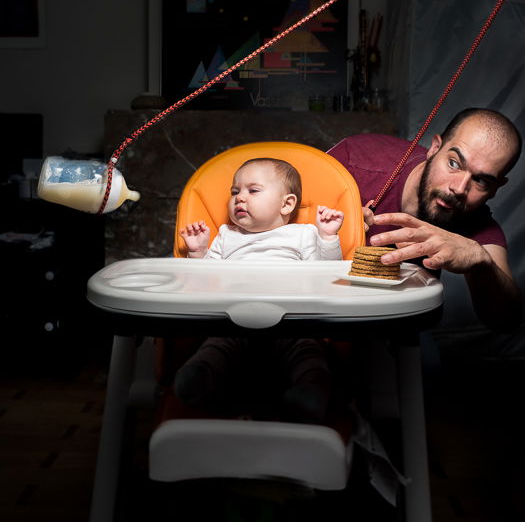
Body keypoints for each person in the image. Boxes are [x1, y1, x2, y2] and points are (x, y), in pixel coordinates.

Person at [175, 157, 345, 423]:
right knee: (215, 348)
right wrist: (198, 252)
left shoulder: (304, 234)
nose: (240, 198)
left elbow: (326, 275)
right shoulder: (226, 236)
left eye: (253, 191)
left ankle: (311, 391)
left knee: (308, 353)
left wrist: (328, 238)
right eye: (235, 192)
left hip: (292, 324)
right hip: (232, 324)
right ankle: (199, 379)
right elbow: (205, 283)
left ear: (287, 204)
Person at [328, 108, 523, 332]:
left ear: (496, 188)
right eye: (454, 163)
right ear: (435, 148)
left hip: (398, 327)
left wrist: (482, 263)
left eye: (480, 180)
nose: (459, 189)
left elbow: (507, 320)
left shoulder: (473, 215)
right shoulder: (354, 162)